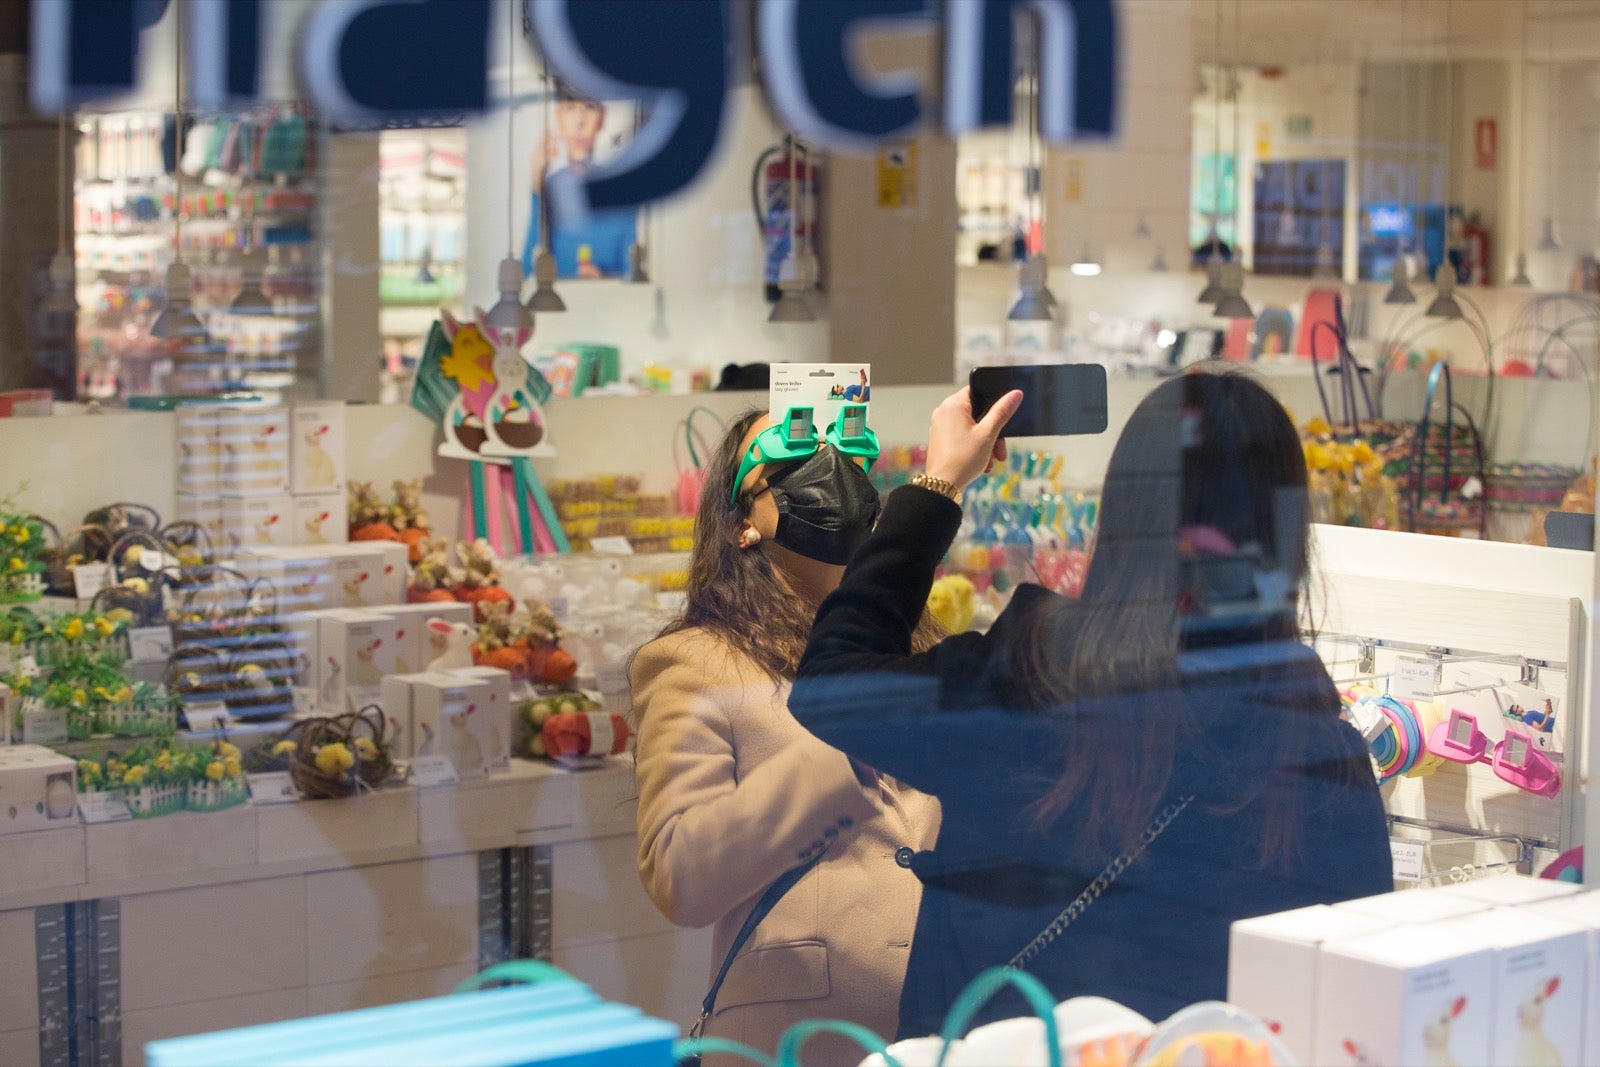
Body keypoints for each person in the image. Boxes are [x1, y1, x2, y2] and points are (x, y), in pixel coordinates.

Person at [789, 373, 1393, 1037]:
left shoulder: (1031, 678)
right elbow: (1359, 1012)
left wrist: (937, 487)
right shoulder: (1320, 756)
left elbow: (831, 682)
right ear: (1286, 538)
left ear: (1126, 515)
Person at [631, 410, 942, 1061]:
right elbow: (680, 875)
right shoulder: (695, 662)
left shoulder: (928, 645)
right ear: (740, 521)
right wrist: (838, 755)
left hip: (946, 1022)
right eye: (795, 456)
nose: (830, 473)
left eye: (845, 451)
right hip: (797, 1040)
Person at [522, 86, 637, 279]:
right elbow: (528, 273)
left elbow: (634, 275)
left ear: (602, 119)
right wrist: (536, 184)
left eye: (590, 107)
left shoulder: (621, 192)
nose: (580, 121)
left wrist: (602, 279)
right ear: (559, 118)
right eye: (570, 108)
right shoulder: (548, 191)